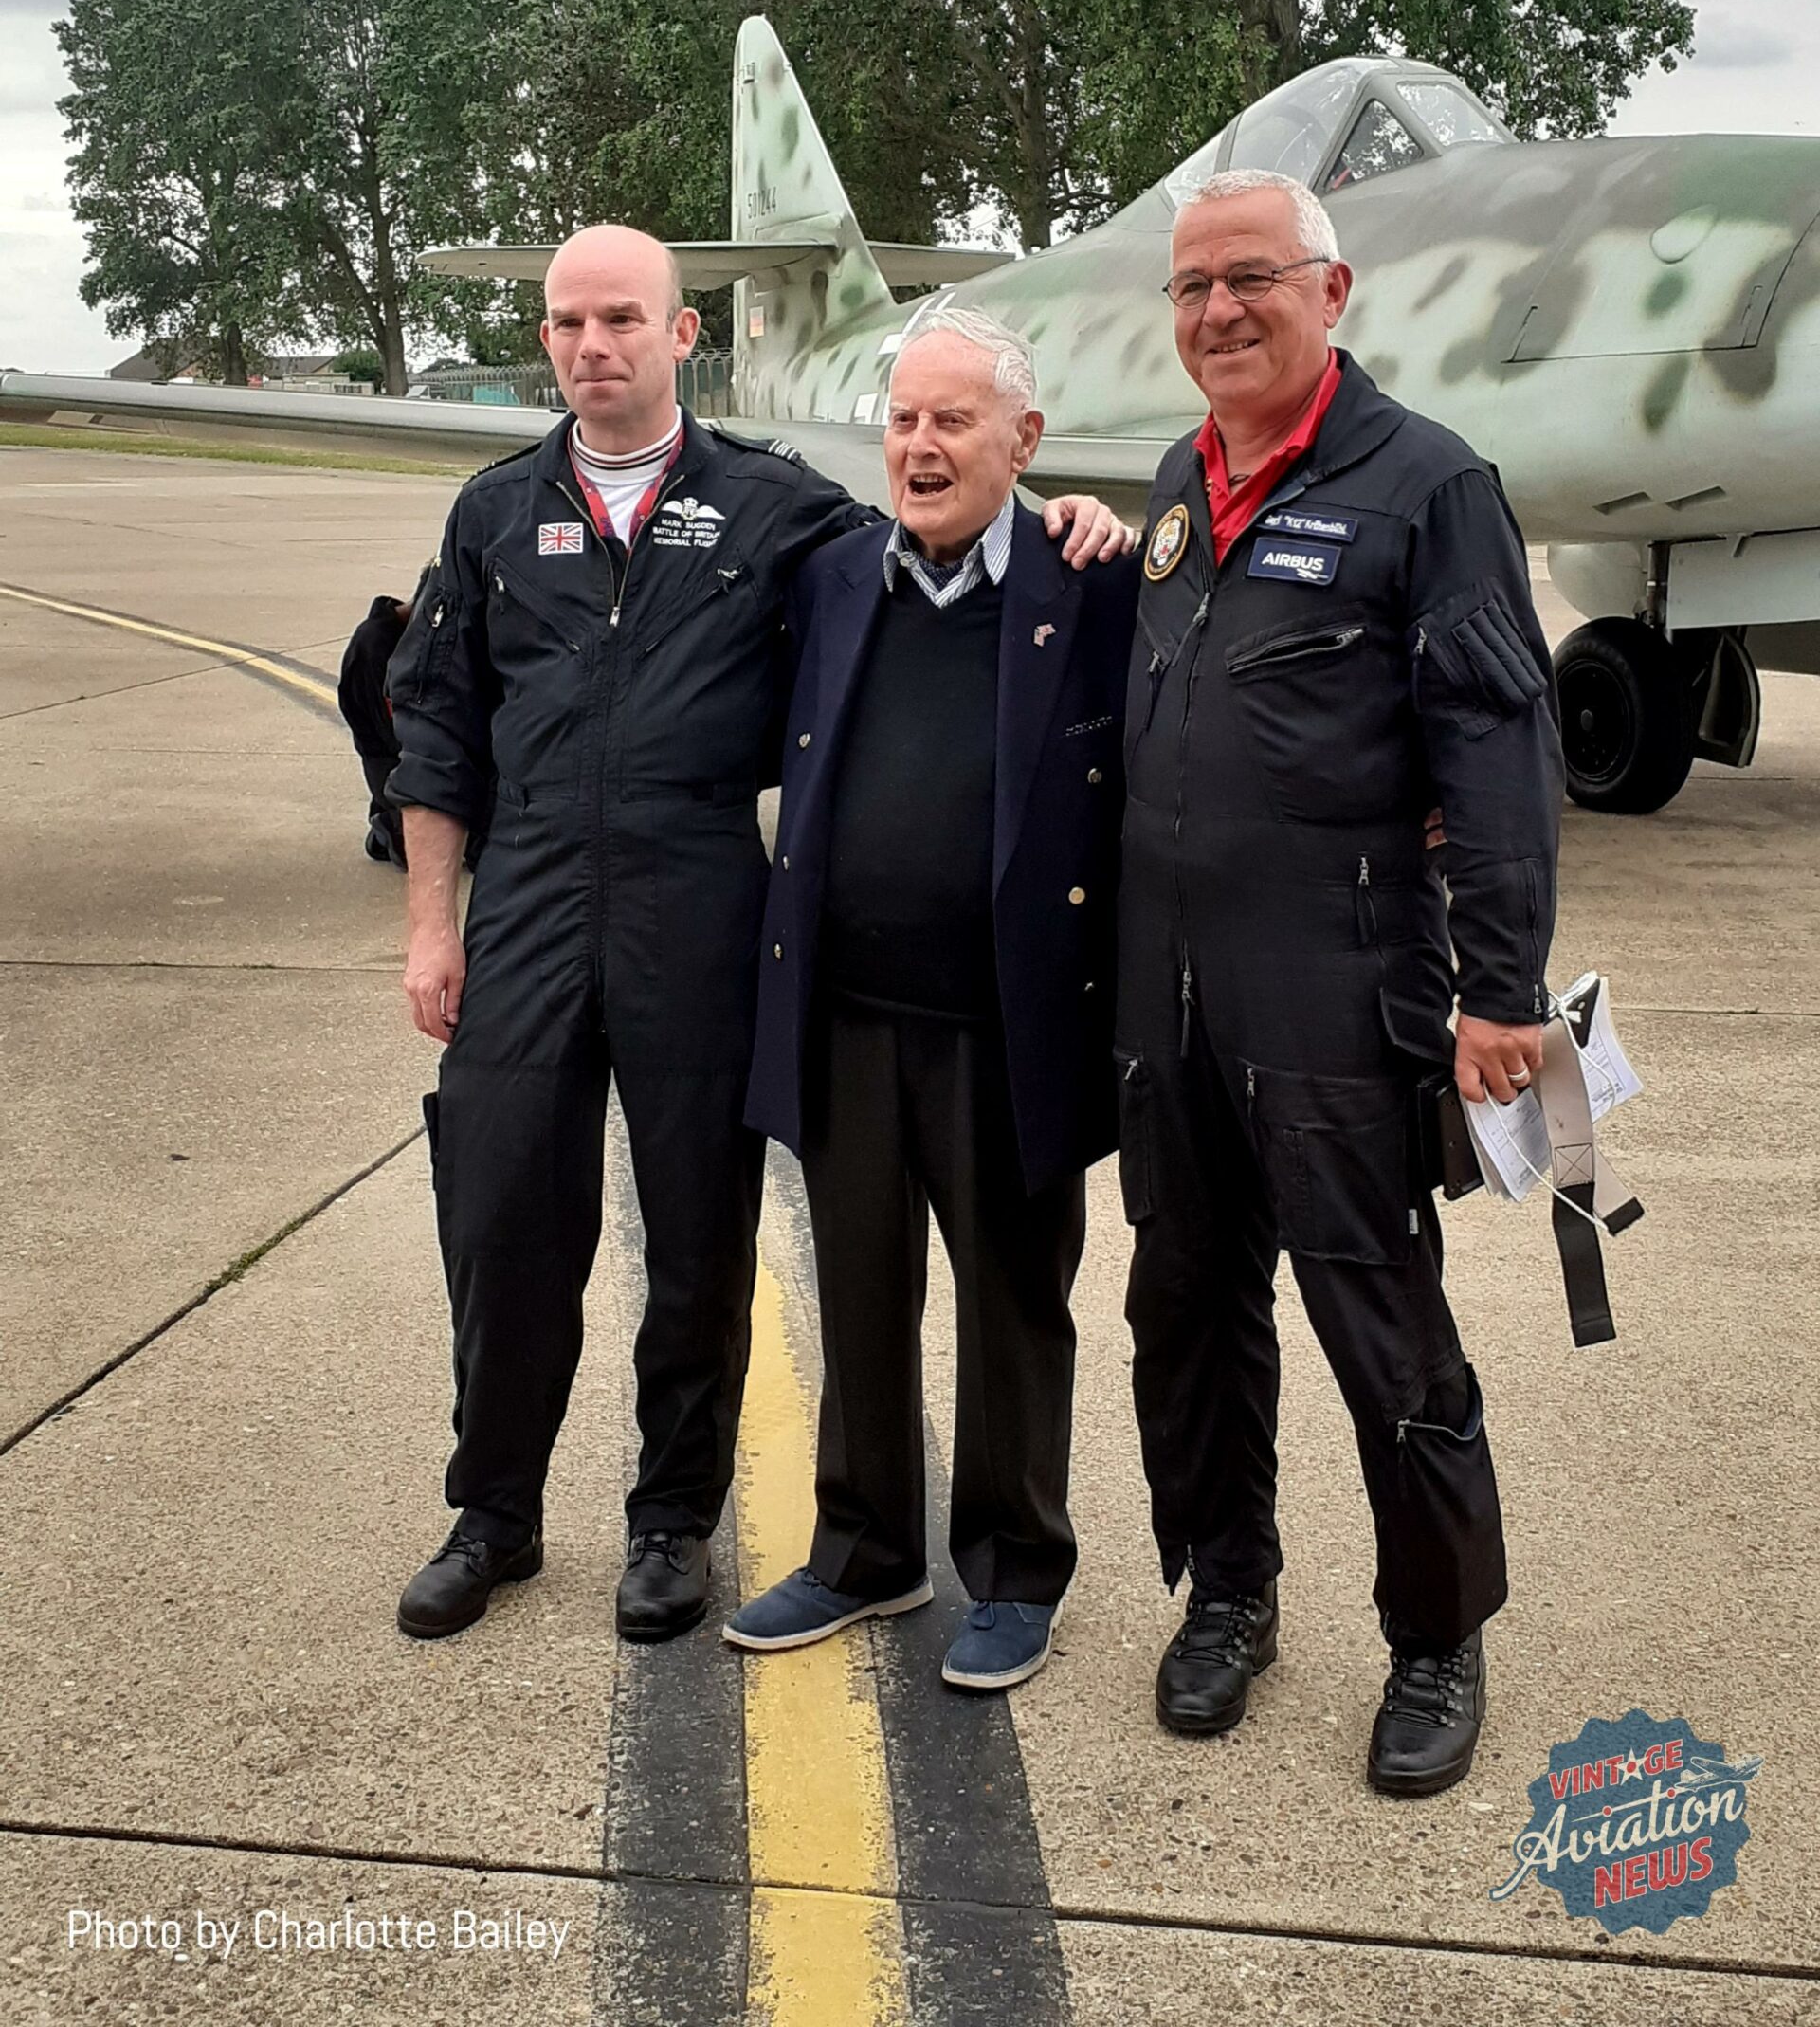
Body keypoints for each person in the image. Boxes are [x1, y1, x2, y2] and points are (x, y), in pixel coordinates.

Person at [384, 225, 1126, 1644]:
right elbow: (436, 735)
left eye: (621, 319)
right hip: (530, 899)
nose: (590, 346)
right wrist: (435, 927)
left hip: (699, 904)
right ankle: (494, 1510)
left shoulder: (784, 513)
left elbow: (947, 547)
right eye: (566, 322)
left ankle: (672, 1522)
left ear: (683, 338)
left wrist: (1066, 520)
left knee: (697, 1237)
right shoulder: (490, 514)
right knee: (500, 1219)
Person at [1119, 169, 1562, 1795]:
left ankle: (1438, 1639)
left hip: (1338, 988)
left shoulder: (1427, 486)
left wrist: (1501, 990)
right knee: (1187, 1315)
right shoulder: (1179, 484)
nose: (1219, 312)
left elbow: (1498, 750)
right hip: (1169, 1002)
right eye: (1191, 291)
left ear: (1332, 290)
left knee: (1379, 1323)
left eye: (1252, 280)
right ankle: (1228, 1594)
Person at [731, 308, 1138, 1690]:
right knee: (856, 1293)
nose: (918, 444)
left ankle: (1017, 1570)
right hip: (847, 1016)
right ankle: (864, 1553)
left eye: (952, 420)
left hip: (1008, 1028)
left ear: (1023, 442)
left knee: (1017, 1307)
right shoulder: (839, 577)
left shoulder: (1095, 586)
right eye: (903, 419)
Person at [337, 581, 422, 868]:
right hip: (389, 754)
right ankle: (392, 820)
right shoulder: (374, 647)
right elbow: (387, 728)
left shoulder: (406, 638)